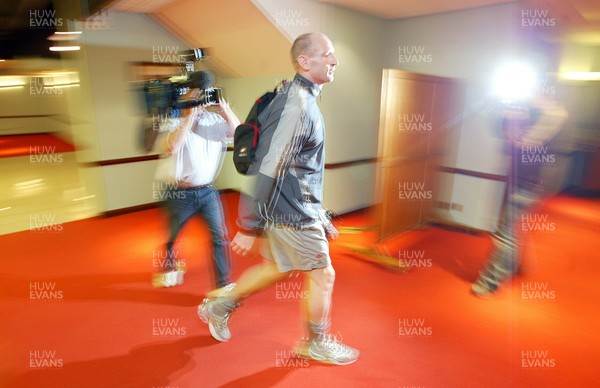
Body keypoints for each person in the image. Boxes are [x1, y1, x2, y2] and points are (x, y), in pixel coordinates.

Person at [197, 32, 359, 365]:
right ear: (305, 61)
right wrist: (248, 223)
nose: (335, 61)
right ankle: (316, 342)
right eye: (327, 54)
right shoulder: (299, 105)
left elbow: (298, 167)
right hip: (292, 213)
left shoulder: (294, 96)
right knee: (323, 274)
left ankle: (220, 306)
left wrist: (321, 214)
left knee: (276, 268)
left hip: (291, 207)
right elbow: (268, 166)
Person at [471, 93, 568, 297]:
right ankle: (515, 266)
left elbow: (531, 138)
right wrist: (504, 110)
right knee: (511, 228)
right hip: (516, 180)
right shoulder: (524, 114)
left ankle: (491, 282)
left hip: (529, 184)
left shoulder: (550, 116)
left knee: (505, 233)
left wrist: (524, 109)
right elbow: (499, 131)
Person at [152, 71, 240, 290]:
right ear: (188, 93)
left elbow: (239, 134)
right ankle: (170, 267)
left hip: (208, 193)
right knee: (173, 236)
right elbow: (173, 147)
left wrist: (225, 109)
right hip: (179, 193)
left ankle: (222, 285)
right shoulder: (171, 121)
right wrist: (189, 115)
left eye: (205, 92)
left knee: (219, 237)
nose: (201, 97)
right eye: (196, 92)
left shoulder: (213, 120)